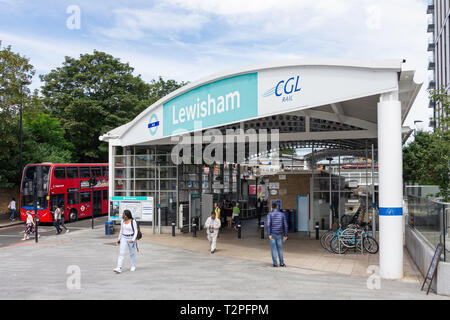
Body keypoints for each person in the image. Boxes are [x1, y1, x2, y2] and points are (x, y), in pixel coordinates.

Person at [266, 202, 288, 267]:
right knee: (280, 249)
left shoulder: (269, 214)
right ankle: (281, 263)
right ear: (277, 206)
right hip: (279, 234)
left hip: (272, 234)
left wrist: (269, 234)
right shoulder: (282, 214)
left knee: (273, 249)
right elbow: (285, 225)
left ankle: (275, 264)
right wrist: (285, 235)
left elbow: (268, 225)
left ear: (272, 207)